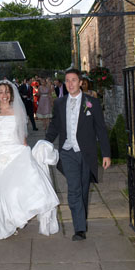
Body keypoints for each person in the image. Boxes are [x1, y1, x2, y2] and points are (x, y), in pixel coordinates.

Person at [0, 80, 60, 240]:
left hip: (15, 151)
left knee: (14, 189)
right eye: (1, 92)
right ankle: (4, 221)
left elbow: (21, 136)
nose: (4, 95)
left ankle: (13, 219)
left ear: (11, 94)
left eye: (7, 92)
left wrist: (27, 153)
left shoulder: (17, 112)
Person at [46, 68, 111, 241]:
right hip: (67, 152)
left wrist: (106, 154)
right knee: (74, 189)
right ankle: (79, 228)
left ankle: (81, 218)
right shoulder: (59, 103)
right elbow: (54, 126)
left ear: (81, 82)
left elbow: (100, 129)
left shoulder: (92, 103)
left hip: (86, 153)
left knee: (83, 189)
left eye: (73, 80)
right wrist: (44, 143)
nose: (70, 83)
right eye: (67, 80)